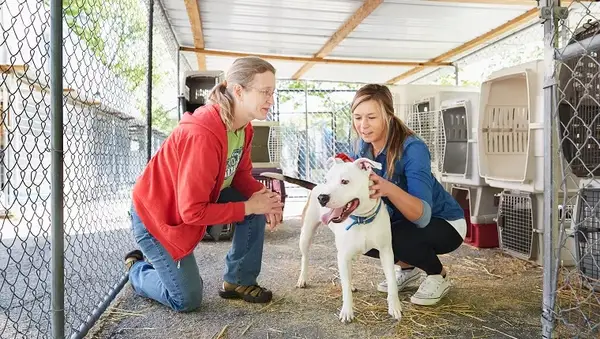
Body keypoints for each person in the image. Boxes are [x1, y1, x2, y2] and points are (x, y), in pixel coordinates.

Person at [123, 56, 285, 312]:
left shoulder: (243, 127)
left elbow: (240, 176)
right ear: (238, 91)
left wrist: (266, 200)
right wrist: (250, 207)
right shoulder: (204, 134)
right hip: (157, 217)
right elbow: (192, 211)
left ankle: (238, 282)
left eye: (272, 92)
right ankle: (137, 270)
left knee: (255, 205)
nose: (270, 99)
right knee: (186, 299)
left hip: (192, 202)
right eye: (265, 91)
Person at [349, 84, 467, 306]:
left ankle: (437, 275)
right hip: (404, 222)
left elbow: (422, 216)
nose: (363, 126)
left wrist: (388, 188)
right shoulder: (361, 146)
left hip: (445, 223)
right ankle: (407, 268)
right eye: (357, 117)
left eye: (371, 117)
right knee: (359, 232)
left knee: (395, 234)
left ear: (388, 116)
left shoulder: (412, 148)